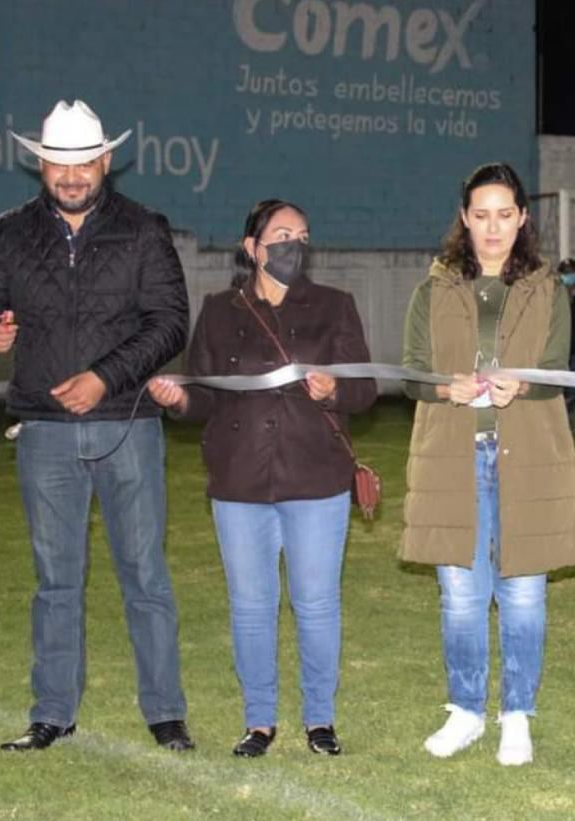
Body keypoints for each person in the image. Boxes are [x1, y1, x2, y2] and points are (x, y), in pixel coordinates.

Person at [0, 100, 193, 752]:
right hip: (44, 430)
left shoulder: (145, 229)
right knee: (55, 580)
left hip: (129, 424)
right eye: (58, 162)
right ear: (40, 162)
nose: (70, 174)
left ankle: (165, 711)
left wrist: (104, 377)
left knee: (145, 573)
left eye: (82, 161)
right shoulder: (10, 233)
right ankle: (52, 713)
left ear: (106, 160)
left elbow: (171, 322)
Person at [147, 199, 376, 758]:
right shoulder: (219, 310)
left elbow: (366, 389)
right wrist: (178, 399)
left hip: (316, 475)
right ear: (251, 247)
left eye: (301, 234)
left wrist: (335, 391)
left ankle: (319, 719)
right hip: (240, 480)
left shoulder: (335, 306)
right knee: (251, 606)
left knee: (316, 603)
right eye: (280, 235)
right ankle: (259, 721)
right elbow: (204, 396)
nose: (292, 245)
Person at [400, 162, 575, 766]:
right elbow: (411, 373)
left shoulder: (547, 287)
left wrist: (523, 387)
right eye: (481, 215)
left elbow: (557, 368)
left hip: (528, 456)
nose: (492, 227)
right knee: (460, 596)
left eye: (505, 215)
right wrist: (441, 388)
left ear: (523, 218)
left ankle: (517, 716)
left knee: (524, 594)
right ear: (464, 219)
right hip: (452, 456)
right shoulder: (433, 288)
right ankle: (465, 711)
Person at [558, 257, 575, 424]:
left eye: (571, 272)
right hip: (559, 347)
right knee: (558, 387)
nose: (568, 276)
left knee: (572, 388)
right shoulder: (554, 292)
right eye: (565, 273)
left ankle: (569, 421)